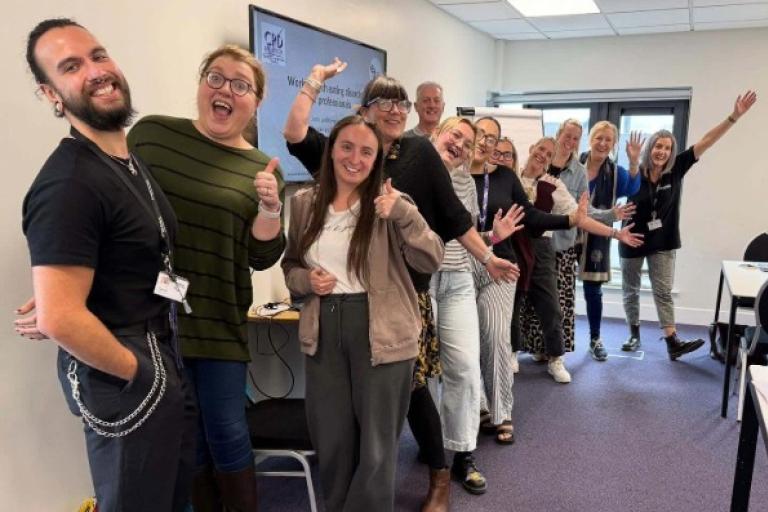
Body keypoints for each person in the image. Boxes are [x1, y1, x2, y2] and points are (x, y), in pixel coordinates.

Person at [283, 59, 518, 512]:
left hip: (402, 303)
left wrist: (488, 256)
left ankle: (443, 474)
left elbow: (451, 220)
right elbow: (295, 134)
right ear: (362, 112)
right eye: (384, 102)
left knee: (406, 405)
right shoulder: (320, 189)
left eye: (402, 103)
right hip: (335, 318)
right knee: (341, 432)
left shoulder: (415, 158)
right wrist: (313, 81)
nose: (395, 110)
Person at [17, 19, 196, 511]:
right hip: (127, 378)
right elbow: (59, 316)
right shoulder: (68, 182)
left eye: (98, 55)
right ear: (52, 94)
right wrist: (141, 375)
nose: (95, 71)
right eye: (71, 67)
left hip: (162, 354)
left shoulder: (126, 161)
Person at [126, 45, 286, 510]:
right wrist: (70, 279)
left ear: (255, 103)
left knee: (228, 432)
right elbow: (109, 204)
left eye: (241, 85)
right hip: (151, 319)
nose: (226, 91)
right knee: (184, 437)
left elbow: (263, 255)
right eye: (216, 77)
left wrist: (271, 208)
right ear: (200, 84)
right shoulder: (153, 134)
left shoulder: (259, 167)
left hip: (218, 320)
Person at [282, 114, 444, 512]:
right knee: (333, 441)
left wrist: (403, 215)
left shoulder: (392, 204)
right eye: (347, 147)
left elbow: (432, 257)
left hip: (382, 331)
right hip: (324, 330)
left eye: (366, 151)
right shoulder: (305, 204)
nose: (355, 158)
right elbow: (290, 268)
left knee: (376, 448)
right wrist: (306, 281)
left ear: (378, 158)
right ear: (332, 150)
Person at [620, 91, 757, 359]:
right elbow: (631, 179)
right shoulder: (634, 171)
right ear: (650, 149)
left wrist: (734, 117)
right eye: (658, 146)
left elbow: (707, 141)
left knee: (662, 291)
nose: (662, 151)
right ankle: (633, 335)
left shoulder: (677, 168)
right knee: (631, 290)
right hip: (632, 237)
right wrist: (634, 160)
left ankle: (672, 341)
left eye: (667, 147)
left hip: (663, 240)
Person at [428, 117, 524, 495]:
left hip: (458, 281)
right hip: (420, 282)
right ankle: (432, 445)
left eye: (469, 144)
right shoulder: (416, 168)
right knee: (423, 376)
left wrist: (490, 240)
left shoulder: (466, 182)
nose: (462, 146)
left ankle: (463, 454)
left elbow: (460, 234)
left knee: (465, 370)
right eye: (457, 135)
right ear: (437, 134)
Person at [468, 118, 574, 444]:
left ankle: (501, 412)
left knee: (498, 338)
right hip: (462, 264)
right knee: (467, 343)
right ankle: (480, 406)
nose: (490, 147)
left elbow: (531, 215)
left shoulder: (506, 178)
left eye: (496, 142)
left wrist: (571, 218)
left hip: (501, 265)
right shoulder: (455, 176)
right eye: (483, 137)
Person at [513, 137, 643, 383]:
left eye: (549, 154)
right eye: (540, 148)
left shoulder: (554, 185)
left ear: (551, 161)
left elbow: (579, 218)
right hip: (511, 247)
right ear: (530, 148)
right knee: (512, 305)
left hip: (541, 248)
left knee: (551, 307)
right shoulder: (512, 176)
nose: (542, 155)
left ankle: (555, 358)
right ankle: (511, 351)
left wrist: (615, 233)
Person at [579, 123, 643, 361]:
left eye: (608, 140)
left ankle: (595, 339)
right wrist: (610, 216)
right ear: (590, 139)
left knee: (593, 290)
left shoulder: (616, 172)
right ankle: (553, 342)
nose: (603, 143)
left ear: (614, 144)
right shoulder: (574, 165)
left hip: (597, 235)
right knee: (557, 287)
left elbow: (633, 188)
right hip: (567, 231)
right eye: (598, 138)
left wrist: (634, 161)